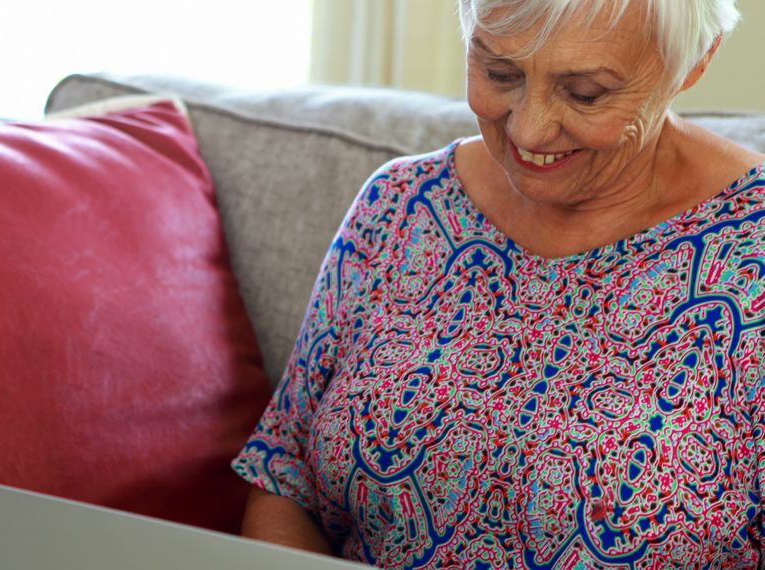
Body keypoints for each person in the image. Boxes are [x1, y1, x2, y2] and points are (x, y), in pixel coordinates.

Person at [230, 0, 765, 567]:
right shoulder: (402, 202)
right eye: (500, 73)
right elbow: (285, 479)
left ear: (695, 62)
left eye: (585, 92)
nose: (529, 127)